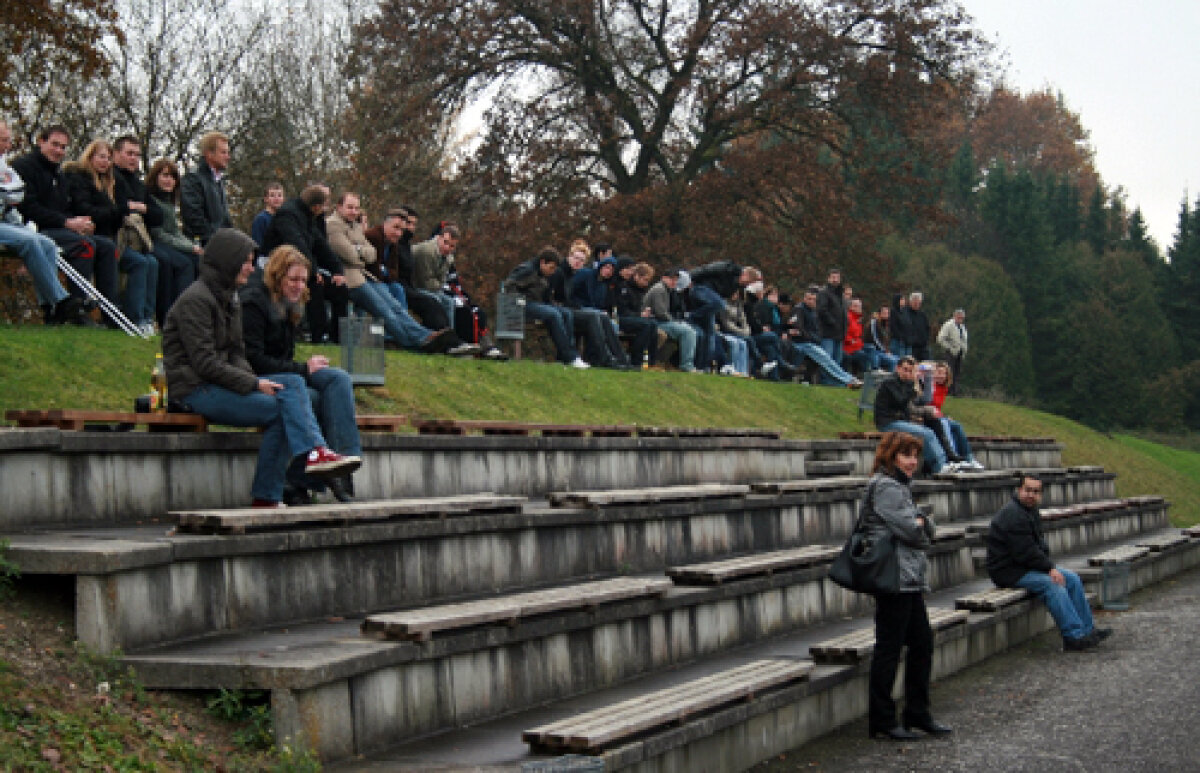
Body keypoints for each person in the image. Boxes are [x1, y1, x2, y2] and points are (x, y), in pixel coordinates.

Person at [162, 228, 360, 507]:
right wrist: (254, 383)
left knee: (295, 385)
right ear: (228, 261)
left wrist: (253, 381)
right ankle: (291, 475)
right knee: (285, 404)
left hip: (221, 383)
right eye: (245, 261)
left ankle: (284, 483)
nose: (251, 268)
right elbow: (205, 363)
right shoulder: (197, 300)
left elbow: (236, 353)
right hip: (195, 389)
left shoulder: (228, 298)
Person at [240, 244, 363, 503]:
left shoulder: (291, 305)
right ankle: (302, 478)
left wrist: (304, 368)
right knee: (314, 398)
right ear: (277, 277)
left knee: (338, 378)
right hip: (259, 377)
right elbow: (254, 360)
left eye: (303, 280)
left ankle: (344, 462)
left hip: (287, 372)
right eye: (293, 279)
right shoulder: (254, 303)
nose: (299, 286)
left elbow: (284, 357)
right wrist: (303, 369)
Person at [864, 431, 951, 741]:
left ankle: (917, 712)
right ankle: (883, 719)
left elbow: (925, 528)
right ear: (891, 456)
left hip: (908, 577)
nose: (913, 462)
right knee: (889, 648)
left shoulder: (900, 486)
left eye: (915, 456)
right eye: (906, 455)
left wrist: (922, 523)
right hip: (894, 578)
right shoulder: (887, 487)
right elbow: (913, 532)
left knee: (922, 643)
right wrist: (921, 523)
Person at [324, 191, 475, 356]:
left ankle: (426, 337)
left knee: (395, 307)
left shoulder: (354, 226)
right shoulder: (333, 225)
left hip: (365, 276)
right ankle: (417, 342)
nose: (354, 211)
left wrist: (359, 251)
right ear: (339, 207)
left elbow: (371, 255)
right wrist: (360, 252)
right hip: (350, 279)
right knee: (384, 311)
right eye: (350, 207)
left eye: (356, 208)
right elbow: (351, 255)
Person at [984, 473, 1113, 651]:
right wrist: (1049, 568)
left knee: (1072, 579)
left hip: (1024, 566)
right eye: (1028, 490)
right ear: (1019, 490)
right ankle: (1073, 636)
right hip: (1008, 571)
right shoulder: (1013, 515)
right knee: (1053, 583)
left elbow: (1037, 547)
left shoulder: (1029, 511)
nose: (1031, 495)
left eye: (1035, 492)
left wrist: (1048, 566)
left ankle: (1088, 631)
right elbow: (1025, 553)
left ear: (1040, 494)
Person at [12, 125, 120, 319]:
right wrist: (67, 222)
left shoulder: (58, 173)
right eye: (55, 145)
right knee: (84, 245)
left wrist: (79, 224)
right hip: (33, 228)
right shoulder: (23, 167)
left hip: (59, 228)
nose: (59, 151)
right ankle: (76, 310)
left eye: (63, 147)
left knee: (107, 246)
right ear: (41, 142)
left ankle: (110, 313)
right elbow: (28, 207)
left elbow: (64, 207)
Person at [0, 119, 93, 326]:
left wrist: (21, 225)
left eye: (8, 140)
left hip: (8, 223)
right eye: (3, 140)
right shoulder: (22, 166)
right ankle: (62, 300)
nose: (7, 145)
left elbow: (13, 200)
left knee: (48, 244)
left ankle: (50, 308)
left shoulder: (4, 166)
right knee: (31, 241)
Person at [63, 139, 157, 333]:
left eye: (107, 158)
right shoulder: (80, 179)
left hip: (110, 236)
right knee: (134, 260)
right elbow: (89, 210)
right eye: (101, 157)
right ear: (90, 157)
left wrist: (120, 211)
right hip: (87, 233)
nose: (105, 162)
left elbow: (151, 214)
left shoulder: (111, 183)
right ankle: (126, 316)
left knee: (151, 261)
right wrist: (118, 211)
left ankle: (139, 317)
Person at [114, 136, 195, 327]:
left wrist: (142, 208)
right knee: (165, 261)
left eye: (137, 155)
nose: (134, 158)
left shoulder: (138, 185)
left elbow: (156, 215)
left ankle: (155, 317)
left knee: (191, 261)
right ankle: (163, 317)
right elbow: (156, 228)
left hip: (143, 241)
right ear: (116, 154)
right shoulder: (115, 179)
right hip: (132, 240)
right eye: (129, 153)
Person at [261, 184, 348, 344]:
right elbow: (297, 244)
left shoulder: (308, 217)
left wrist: (337, 270)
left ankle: (338, 337)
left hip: (302, 264)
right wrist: (313, 271)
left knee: (340, 289)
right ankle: (318, 335)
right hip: (280, 265)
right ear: (316, 207)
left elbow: (320, 245)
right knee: (315, 286)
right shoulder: (288, 215)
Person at [873, 356, 953, 474]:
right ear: (898, 368)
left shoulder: (905, 383)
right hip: (887, 422)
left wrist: (922, 381)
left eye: (910, 371)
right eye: (905, 370)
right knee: (926, 434)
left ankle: (944, 462)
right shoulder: (890, 382)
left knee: (932, 427)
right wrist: (912, 385)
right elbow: (901, 401)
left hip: (900, 420)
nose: (907, 373)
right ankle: (940, 467)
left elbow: (920, 401)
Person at [145, 157, 204, 292]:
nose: (169, 180)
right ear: (155, 177)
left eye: (173, 177)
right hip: (156, 243)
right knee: (184, 264)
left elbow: (175, 231)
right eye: (165, 175)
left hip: (169, 243)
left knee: (198, 260)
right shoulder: (152, 201)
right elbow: (159, 234)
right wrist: (189, 247)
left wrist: (193, 247)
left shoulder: (169, 203)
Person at [568, 255, 632, 368]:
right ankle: (605, 357)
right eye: (607, 267)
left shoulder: (603, 285)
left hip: (590, 311)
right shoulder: (585, 274)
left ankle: (621, 358)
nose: (608, 271)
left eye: (611, 270)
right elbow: (569, 291)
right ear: (601, 266)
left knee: (604, 317)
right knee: (596, 316)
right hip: (574, 309)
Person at [925, 362, 983, 469]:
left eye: (944, 373)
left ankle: (969, 458)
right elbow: (928, 404)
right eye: (939, 372)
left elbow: (937, 407)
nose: (941, 376)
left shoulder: (943, 388)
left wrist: (944, 415)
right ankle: (952, 458)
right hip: (929, 416)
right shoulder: (929, 386)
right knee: (945, 424)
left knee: (956, 426)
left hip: (937, 415)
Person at [179, 131, 233, 245]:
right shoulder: (193, 179)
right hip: (203, 245)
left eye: (228, 153)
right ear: (209, 154)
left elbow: (225, 220)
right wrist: (217, 241)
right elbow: (193, 217)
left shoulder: (218, 180)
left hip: (221, 241)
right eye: (223, 152)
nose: (228, 157)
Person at [644, 268, 699, 372]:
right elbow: (660, 313)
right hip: (654, 322)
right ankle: (687, 365)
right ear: (663, 278)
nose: (674, 282)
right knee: (688, 332)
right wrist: (675, 321)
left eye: (676, 280)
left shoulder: (667, 290)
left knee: (688, 330)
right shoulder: (659, 289)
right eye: (671, 279)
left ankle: (668, 362)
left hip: (659, 321)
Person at [613, 261, 660, 367]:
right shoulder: (624, 287)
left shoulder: (640, 290)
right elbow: (622, 310)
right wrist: (640, 315)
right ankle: (636, 361)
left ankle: (652, 362)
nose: (646, 283)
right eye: (645, 280)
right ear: (637, 276)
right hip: (621, 319)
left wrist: (644, 313)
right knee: (645, 325)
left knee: (653, 324)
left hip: (634, 318)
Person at [816, 268, 847, 379]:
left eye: (837, 277)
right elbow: (822, 310)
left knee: (837, 359)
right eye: (833, 277)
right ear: (828, 278)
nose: (835, 280)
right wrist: (832, 322)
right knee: (827, 358)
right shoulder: (824, 293)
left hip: (839, 333)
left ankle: (835, 379)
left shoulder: (840, 295)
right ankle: (825, 379)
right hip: (828, 332)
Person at [936, 308, 968, 395]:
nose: (960, 319)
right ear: (954, 316)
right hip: (950, 353)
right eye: (959, 317)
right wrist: (949, 347)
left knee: (957, 372)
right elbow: (940, 338)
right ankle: (947, 391)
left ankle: (955, 391)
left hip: (959, 353)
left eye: (962, 318)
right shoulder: (949, 325)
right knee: (949, 372)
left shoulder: (962, 327)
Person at [251, 182, 285, 262]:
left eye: (279, 195)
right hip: (266, 261)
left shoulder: (285, 219)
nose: (276, 198)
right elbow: (257, 246)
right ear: (266, 199)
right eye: (272, 195)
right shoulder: (261, 219)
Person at [907, 291, 931, 361]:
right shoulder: (906, 314)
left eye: (918, 302)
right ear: (910, 302)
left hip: (923, 346)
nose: (916, 304)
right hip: (911, 347)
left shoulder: (922, 315)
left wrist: (926, 339)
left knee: (926, 363)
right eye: (915, 302)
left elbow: (927, 328)